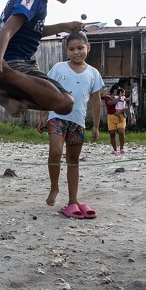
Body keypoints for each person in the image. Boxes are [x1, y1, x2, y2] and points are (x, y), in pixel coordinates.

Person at [38, 32, 103, 217]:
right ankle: (54, 187)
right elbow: (45, 91)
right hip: (56, 117)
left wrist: (96, 126)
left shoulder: (93, 73)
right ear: (66, 51)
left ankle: (73, 199)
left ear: (87, 48)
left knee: (73, 161)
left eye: (80, 48)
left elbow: (96, 101)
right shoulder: (58, 68)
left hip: (77, 121)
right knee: (55, 152)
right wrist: (42, 116)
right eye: (72, 49)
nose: (76, 52)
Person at [103, 84, 127, 154]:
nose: (120, 92)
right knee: (112, 133)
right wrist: (118, 98)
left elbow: (125, 105)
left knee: (121, 132)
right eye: (118, 90)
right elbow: (111, 103)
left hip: (121, 116)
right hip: (111, 117)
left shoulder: (121, 97)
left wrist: (123, 110)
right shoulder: (108, 97)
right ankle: (115, 149)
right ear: (114, 90)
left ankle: (122, 148)